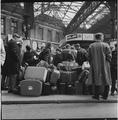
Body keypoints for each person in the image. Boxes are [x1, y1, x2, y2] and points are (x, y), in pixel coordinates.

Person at [87, 33, 112, 100]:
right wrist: (107, 62)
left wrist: (91, 63)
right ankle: (105, 95)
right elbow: (109, 56)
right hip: (105, 65)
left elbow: (88, 56)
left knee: (96, 79)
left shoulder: (91, 46)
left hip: (95, 65)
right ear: (101, 37)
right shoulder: (106, 45)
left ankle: (96, 95)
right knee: (106, 79)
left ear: (96, 38)